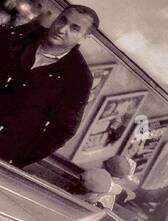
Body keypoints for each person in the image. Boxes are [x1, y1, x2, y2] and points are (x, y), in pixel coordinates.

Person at [0, 6, 98, 168]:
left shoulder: (78, 77)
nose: (62, 29)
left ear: (85, 36)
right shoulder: (14, 37)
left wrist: (17, 159)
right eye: (62, 20)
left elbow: (62, 130)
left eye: (74, 28)